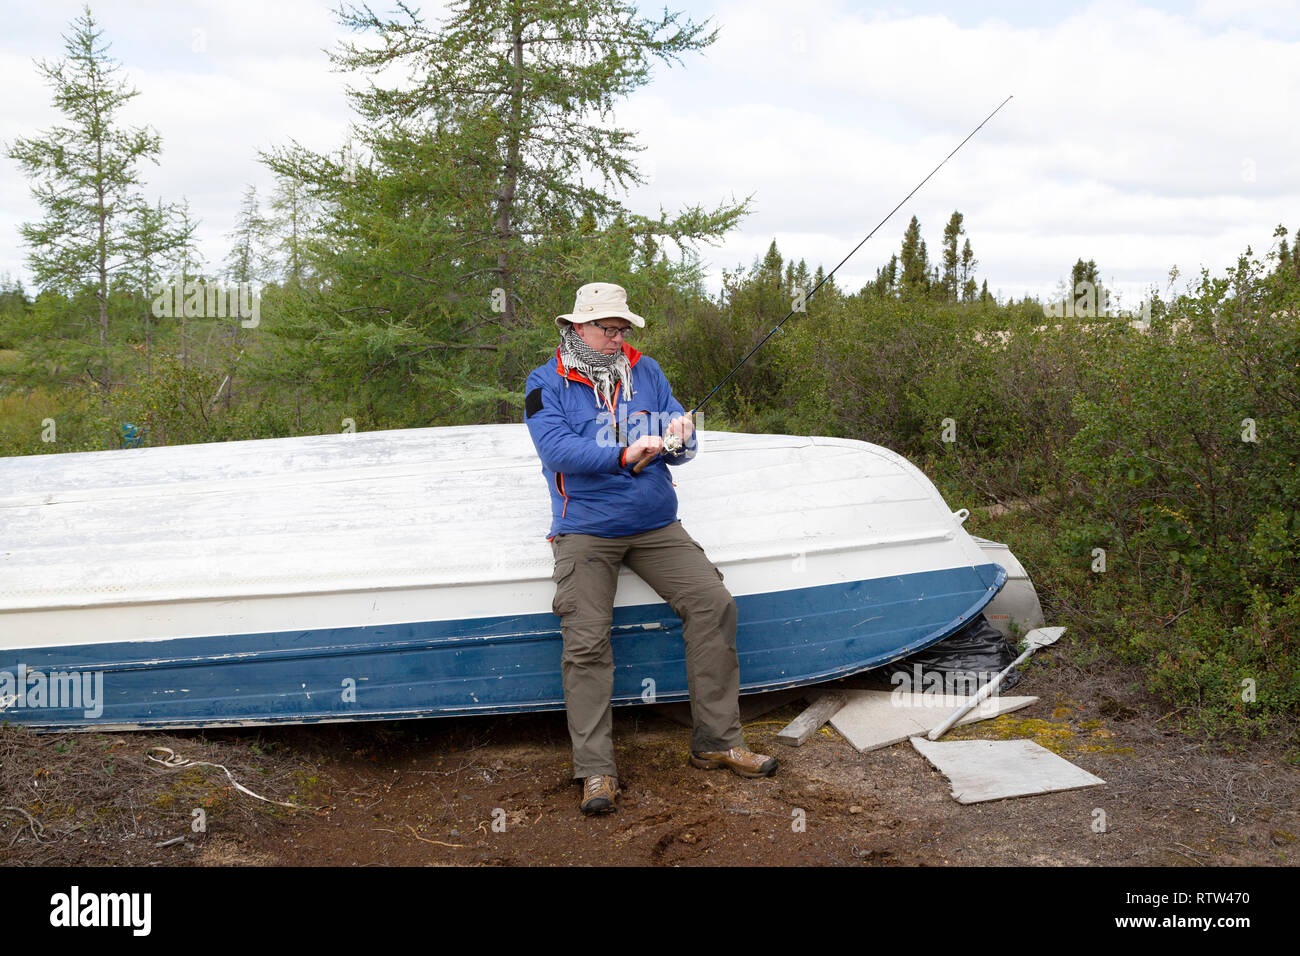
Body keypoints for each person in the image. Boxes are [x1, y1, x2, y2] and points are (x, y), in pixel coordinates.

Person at [523, 281, 777, 815]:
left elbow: (684, 440)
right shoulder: (544, 383)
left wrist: (682, 439)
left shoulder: (648, 372)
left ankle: (716, 742)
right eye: (607, 328)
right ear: (576, 327)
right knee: (587, 640)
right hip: (585, 530)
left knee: (713, 604)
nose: (617, 337)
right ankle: (596, 771)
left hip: (657, 525)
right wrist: (623, 451)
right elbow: (558, 450)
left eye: (623, 329)